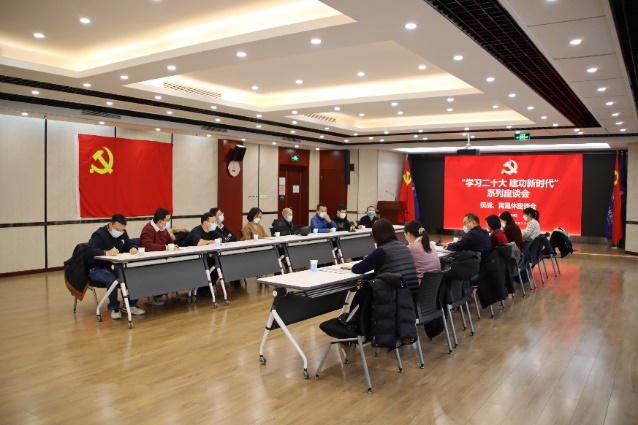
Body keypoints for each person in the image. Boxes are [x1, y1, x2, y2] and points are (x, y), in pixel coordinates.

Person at [84, 214, 145, 319]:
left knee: (132, 275)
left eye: (122, 230)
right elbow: (88, 250)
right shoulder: (99, 234)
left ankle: (130, 305)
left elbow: (129, 243)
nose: (119, 232)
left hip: (114, 266)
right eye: (117, 229)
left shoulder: (122, 233)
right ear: (110, 224)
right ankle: (114, 307)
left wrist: (132, 248)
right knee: (112, 280)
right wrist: (106, 252)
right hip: (97, 268)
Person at [352, 219, 419, 294]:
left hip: (395, 296)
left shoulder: (381, 251)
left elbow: (357, 269)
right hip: (413, 293)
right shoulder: (404, 247)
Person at [139, 207, 175, 305]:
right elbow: (147, 247)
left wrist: (173, 246)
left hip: (162, 258)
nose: (168, 222)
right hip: (149, 261)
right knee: (162, 269)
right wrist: (165, 247)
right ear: (160, 221)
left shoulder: (163, 229)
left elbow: (171, 242)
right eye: (167, 220)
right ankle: (156, 294)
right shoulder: (148, 229)